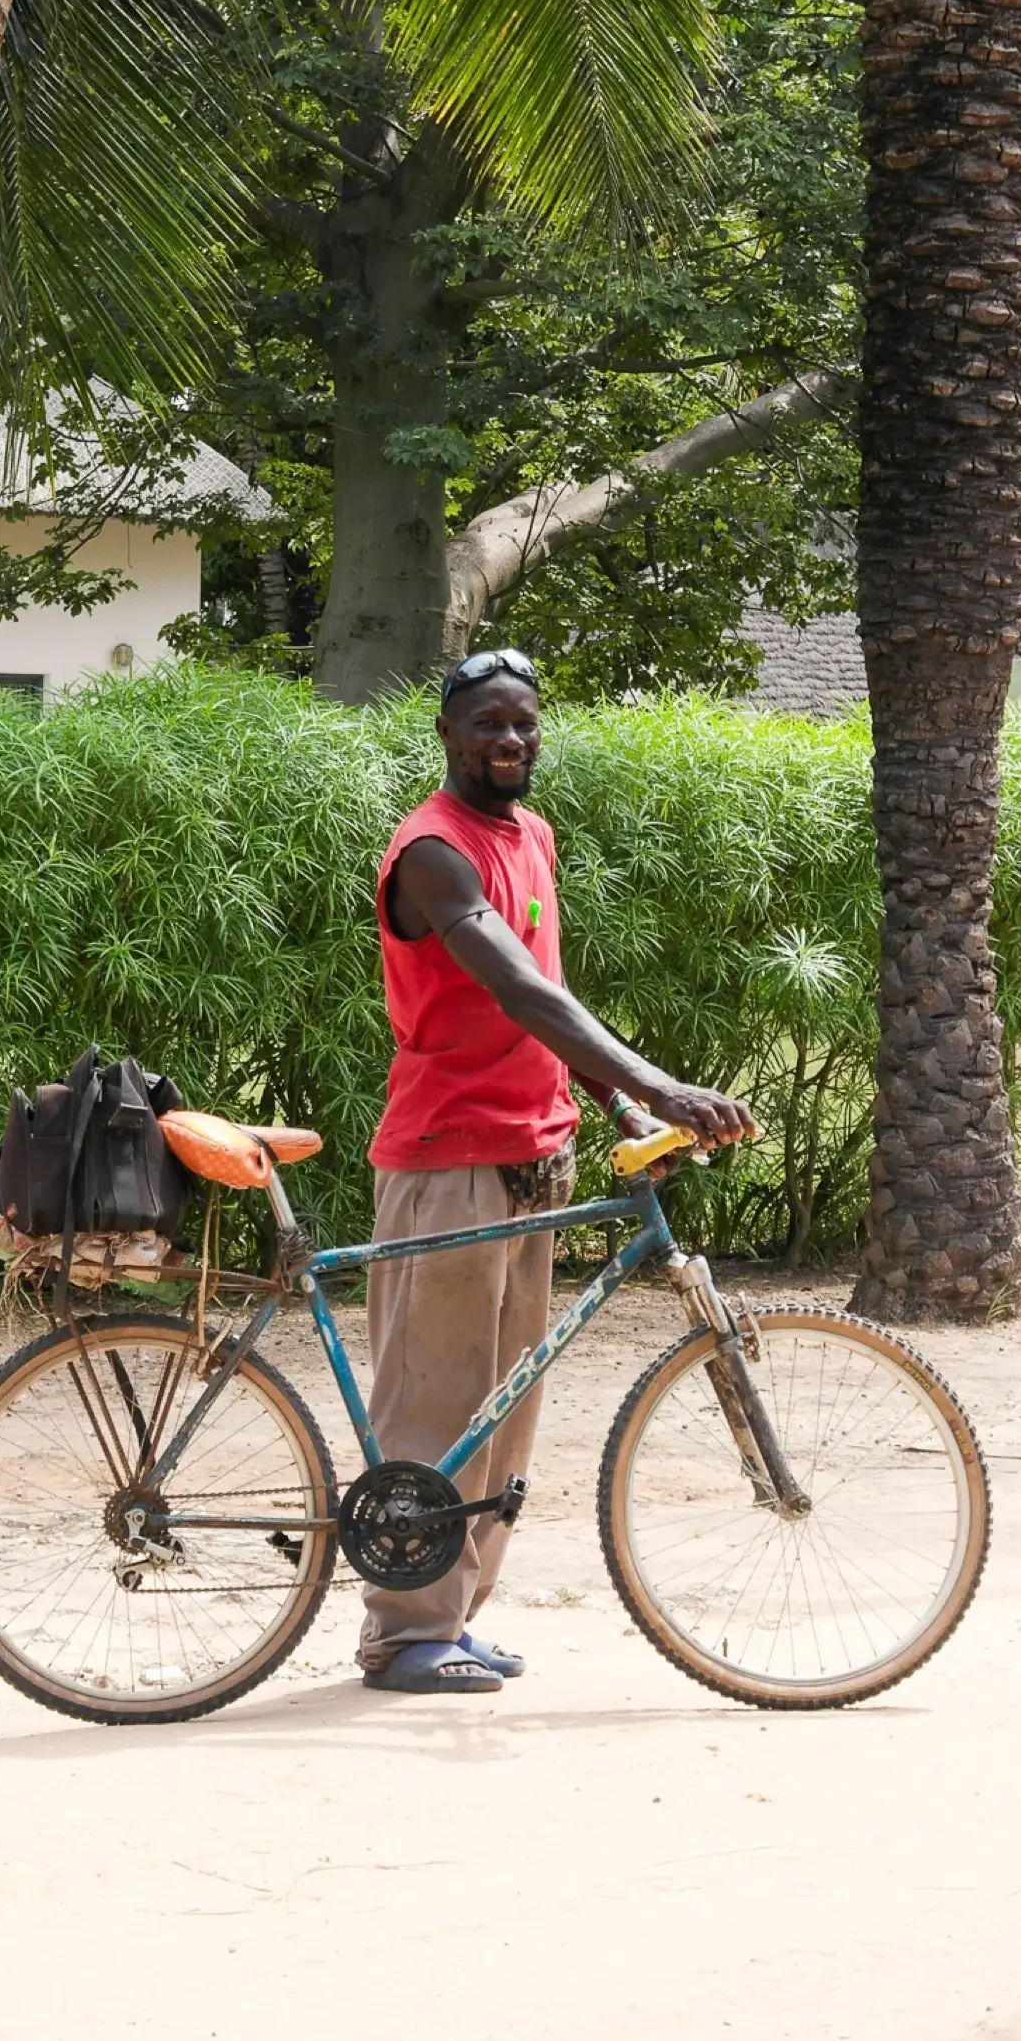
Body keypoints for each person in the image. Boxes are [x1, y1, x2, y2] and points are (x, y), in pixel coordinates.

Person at [360, 645, 752, 1695]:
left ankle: (455, 1614)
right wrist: (660, 1081)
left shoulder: (529, 834)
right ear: (447, 732)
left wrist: (620, 1104)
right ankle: (404, 1634)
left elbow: (553, 1008)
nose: (509, 741)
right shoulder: (433, 852)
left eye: (525, 723)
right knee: (433, 1408)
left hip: (536, 1156)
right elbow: (521, 992)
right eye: (488, 722)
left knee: (502, 1411)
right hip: (450, 1158)